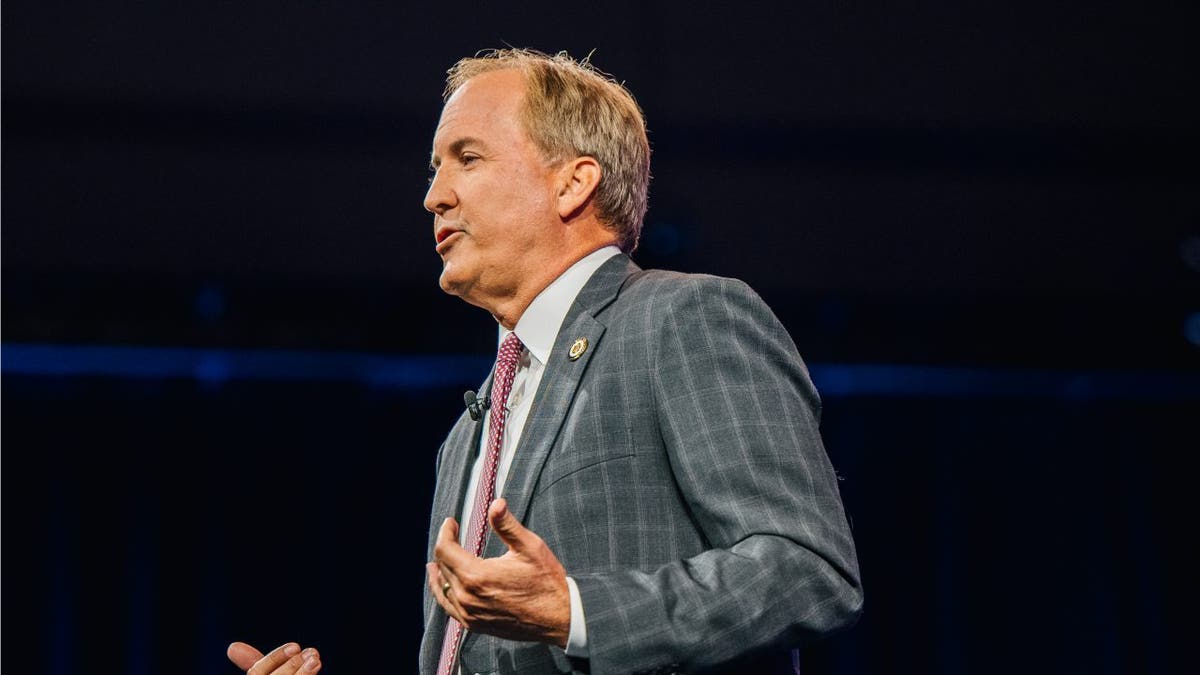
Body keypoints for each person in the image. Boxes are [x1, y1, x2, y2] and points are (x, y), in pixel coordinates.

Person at [228, 47, 862, 675]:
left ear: (572, 183)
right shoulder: (468, 435)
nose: (434, 197)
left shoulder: (681, 317)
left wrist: (576, 612)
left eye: (467, 159)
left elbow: (806, 570)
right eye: (433, 169)